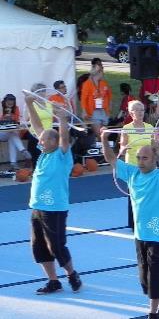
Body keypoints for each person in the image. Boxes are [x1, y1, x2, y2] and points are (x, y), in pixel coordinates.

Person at [101, 128, 159, 319]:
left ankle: (152, 313)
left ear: (155, 160)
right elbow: (111, 159)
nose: (140, 161)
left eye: (145, 158)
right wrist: (104, 139)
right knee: (146, 280)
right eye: (138, 157)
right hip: (140, 235)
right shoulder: (132, 173)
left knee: (154, 277)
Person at [24, 94, 82, 295]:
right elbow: (36, 125)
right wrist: (29, 103)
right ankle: (53, 281)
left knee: (56, 246)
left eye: (44, 138)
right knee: (38, 247)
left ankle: (72, 273)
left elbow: (64, 137)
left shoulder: (62, 155)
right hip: (37, 207)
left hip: (55, 208)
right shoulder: (43, 153)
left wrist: (62, 119)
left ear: (53, 141)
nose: (39, 140)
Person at [120, 100, 155, 229]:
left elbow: (154, 146)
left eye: (142, 109)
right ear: (131, 113)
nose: (140, 112)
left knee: (149, 195)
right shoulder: (126, 129)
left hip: (148, 167)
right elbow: (122, 146)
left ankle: (147, 220)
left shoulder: (150, 128)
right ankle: (133, 223)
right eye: (136, 110)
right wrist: (122, 149)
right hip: (133, 166)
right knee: (134, 196)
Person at [26, 83, 55, 168]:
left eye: (43, 90)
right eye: (39, 91)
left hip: (49, 136)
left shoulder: (50, 104)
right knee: (37, 160)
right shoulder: (31, 105)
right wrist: (29, 104)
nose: (42, 93)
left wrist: (65, 105)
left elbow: (63, 113)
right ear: (34, 93)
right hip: (36, 136)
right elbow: (26, 118)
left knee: (49, 160)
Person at [0, 94, 31, 170]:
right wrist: (4, 116)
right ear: (5, 101)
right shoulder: (1, 108)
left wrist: (11, 115)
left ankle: (13, 163)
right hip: (1, 133)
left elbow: (16, 121)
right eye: (9, 102)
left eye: (12, 102)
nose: (10, 103)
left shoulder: (16, 108)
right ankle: (23, 151)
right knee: (13, 134)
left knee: (12, 136)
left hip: (10, 133)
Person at [80, 66, 112, 137]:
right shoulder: (87, 84)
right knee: (98, 133)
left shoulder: (104, 83)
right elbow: (83, 99)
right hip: (94, 112)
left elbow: (109, 95)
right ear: (98, 73)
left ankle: (102, 145)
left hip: (104, 111)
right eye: (102, 72)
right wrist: (84, 111)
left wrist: (109, 106)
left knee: (105, 133)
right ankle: (100, 145)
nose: (103, 74)